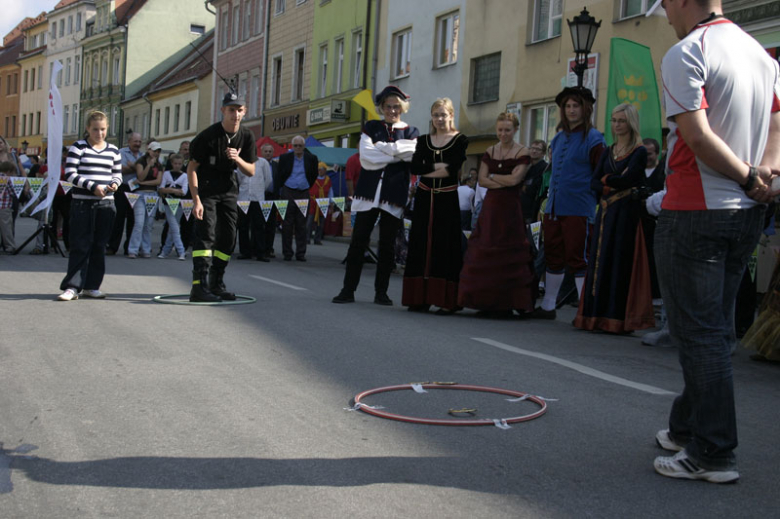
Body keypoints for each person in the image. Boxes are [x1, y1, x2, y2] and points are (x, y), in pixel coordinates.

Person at [650, 0, 780, 484]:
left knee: (699, 334)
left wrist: (749, 177)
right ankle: (687, 427)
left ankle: (713, 453)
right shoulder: (761, 55)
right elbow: (776, 126)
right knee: (711, 329)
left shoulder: (687, 51)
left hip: (697, 211)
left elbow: (698, 137)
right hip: (745, 213)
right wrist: (764, 177)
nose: (665, 12)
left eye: (665, 3)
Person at [332, 85, 419, 305]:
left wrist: (383, 148)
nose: (392, 111)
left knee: (387, 246)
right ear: (381, 108)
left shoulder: (412, 131)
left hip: (394, 194)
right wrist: (395, 152)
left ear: (403, 108)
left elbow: (411, 154)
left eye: (396, 107)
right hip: (367, 193)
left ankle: (381, 292)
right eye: (388, 107)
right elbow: (367, 157)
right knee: (358, 242)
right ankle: (347, 290)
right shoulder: (371, 126)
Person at [574, 103, 654, 333]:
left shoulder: (638, 151)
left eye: (621, 120)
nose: (617, 125)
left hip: (626, 214)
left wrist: (607, 180)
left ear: (630, 122)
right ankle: (594, 316)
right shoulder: (609, 150)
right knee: (599, 261)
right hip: (606, 212)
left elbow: (629, 181)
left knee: (619, 261)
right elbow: (593, 181)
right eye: (614, 120)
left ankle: (616, 318)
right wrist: (612, 179)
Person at [534, 87, 606, 319]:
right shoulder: (557, 138)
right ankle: (548, 306)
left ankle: (586, 310)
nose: (571, 110)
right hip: (555, 208)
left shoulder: (595, 139)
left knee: (578, 258)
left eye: (576, 106)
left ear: (586, 109)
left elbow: (600, 175)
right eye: (568, 106)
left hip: (579, 208)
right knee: (553, 256)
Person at [458, 112, 535, 317]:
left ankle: (506, 303)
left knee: (508, 253)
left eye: (507, 130)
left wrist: (493, 176)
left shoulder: (522, 151)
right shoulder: (490, 151)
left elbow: (515, 180)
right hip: (491, 209)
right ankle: (485, 302)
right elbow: (482, 181)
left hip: (510, 208)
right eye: (500, 130)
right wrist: (502, 178)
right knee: (485, 250)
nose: (503, 133)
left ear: (515, 130)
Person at [187, 92, 257, 302]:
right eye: (231, 110)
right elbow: (191, 169)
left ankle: (216, 283)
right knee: (206, 235)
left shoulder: (246, 136)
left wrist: (237, 159)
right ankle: (199, 286)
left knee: (228, 238)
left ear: (244, 112)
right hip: (207, 190)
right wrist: (196, 200)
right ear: (223, 111)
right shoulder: (208, 136)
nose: (235, 114)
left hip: (228, 191)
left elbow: (251, 170)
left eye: (239, 110)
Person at [403, 97, 469, 313]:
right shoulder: (423, 140)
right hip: (424, 198)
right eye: (436, 115)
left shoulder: (460, 140)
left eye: (443, 114)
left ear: (451, 115)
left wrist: (428, 167)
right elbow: (414, 167)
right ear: (431, 117)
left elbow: (452, 169)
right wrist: (437, 166)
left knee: (445, 246)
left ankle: (446, 300)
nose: (439, 119)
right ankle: (419, 298)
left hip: (446, 198)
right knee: (420, 244)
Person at [57, 110, 122, 301]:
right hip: (83, 203)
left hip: (106, 204)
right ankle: (72, 286)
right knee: (80, 244)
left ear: (107, 128)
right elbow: (70, 173)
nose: (99, 134)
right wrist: (92, 187)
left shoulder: (113, 150)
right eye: (95, 129)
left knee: (99, 246)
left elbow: (117, 174)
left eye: (102, 129)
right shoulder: (79, 147)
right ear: (87, 129)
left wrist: (115, 184)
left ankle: (92, 285)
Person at [278, 136, 318, 261]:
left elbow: (313, 174)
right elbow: (280, 174)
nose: (298, 148)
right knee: (287, 224)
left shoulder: (311, 158)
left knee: (302, 224)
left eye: (300, 146)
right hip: (288, 190)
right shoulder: (285, 158)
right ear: (292, 146)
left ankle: (301, 253)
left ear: (304, 146)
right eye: (295, 145)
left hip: (303, 192)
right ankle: (287, 253)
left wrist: (306, 185)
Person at [107, 132, 142, 255]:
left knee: (133, 219)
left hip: (136, 189)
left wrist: (132, 167)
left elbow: (143, 173)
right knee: (118, 218)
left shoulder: (143, 155)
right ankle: (112, 247)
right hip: (122, 188)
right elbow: (119, 169)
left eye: (139, 142)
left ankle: (129, 247)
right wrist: (136, 168)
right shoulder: (121, 152)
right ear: (129, 142)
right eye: (135, 141)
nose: (137, 144)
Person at [128, 141, 163, 258]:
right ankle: (133, 249)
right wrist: (149, 165)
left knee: (148, 224)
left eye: (158, 151)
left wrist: (143, 182)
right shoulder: (141, 162)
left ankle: (146, 249)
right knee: (139, 223)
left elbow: (158, 181)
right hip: (140, 195)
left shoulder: (159, 165)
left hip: (152, 195)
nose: (156, 153)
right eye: (154, 151)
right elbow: (140, 176)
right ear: (149, 150)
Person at [237, 153, 273, 261]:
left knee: (258, 226)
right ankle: (245, 252)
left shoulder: (263, 162)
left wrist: (260, 189)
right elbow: (239, 178)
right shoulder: (241, 162)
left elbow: (268, 179)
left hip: (258, 198)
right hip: (244, 197)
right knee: (243, 226)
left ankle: (260, 252)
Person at [157, 153, 188, 260]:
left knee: (172, 228)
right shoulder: (166, 174)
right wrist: (174, 190)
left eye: (179, 164)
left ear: (182, 164)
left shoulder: (185, 176)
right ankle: (181, 250)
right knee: (175, 227)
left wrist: (169, 189)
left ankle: (165, 251)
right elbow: (161, 188)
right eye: (175, 163)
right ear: (172, 163)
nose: (177, 165)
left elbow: (184, 191)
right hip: (167, 203)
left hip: (179, 204)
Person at [520, 140, 549, 223]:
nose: (534, 151)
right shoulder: (527, 167)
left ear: (543, 153)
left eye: (538, 149)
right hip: (522, 210)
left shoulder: (544, 168)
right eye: (532, 148)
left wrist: (525, 188)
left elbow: (536, 189)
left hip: (533, 212)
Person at [306, 161, 333, 245]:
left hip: (323, 203)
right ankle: (307, 238)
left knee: (321, 223)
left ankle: (317, 239)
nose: (320, 171)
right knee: (309, 221)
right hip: (312, 203)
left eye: (321, 169)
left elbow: (330, 192)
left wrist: (331, 204)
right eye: (318, 169)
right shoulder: (312, 178)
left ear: (325, 170)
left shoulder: (328, 180)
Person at [261, 143, 280, 258]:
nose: (268, 153)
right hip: (260, 197)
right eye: (266, 151)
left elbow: (280, 180)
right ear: (262, 152)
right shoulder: (258, 164)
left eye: (270, 151)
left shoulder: (277, 166)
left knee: (271, 224)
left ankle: (269, 248)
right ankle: (258, 247)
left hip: (273, 197)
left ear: (273, 153)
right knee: (259, 224)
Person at [0, 161, 17, 254]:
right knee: (6, 228)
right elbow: (13, 192)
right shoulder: (7, 179)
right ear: (9, 171)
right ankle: (10, 246)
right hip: (4, 206)